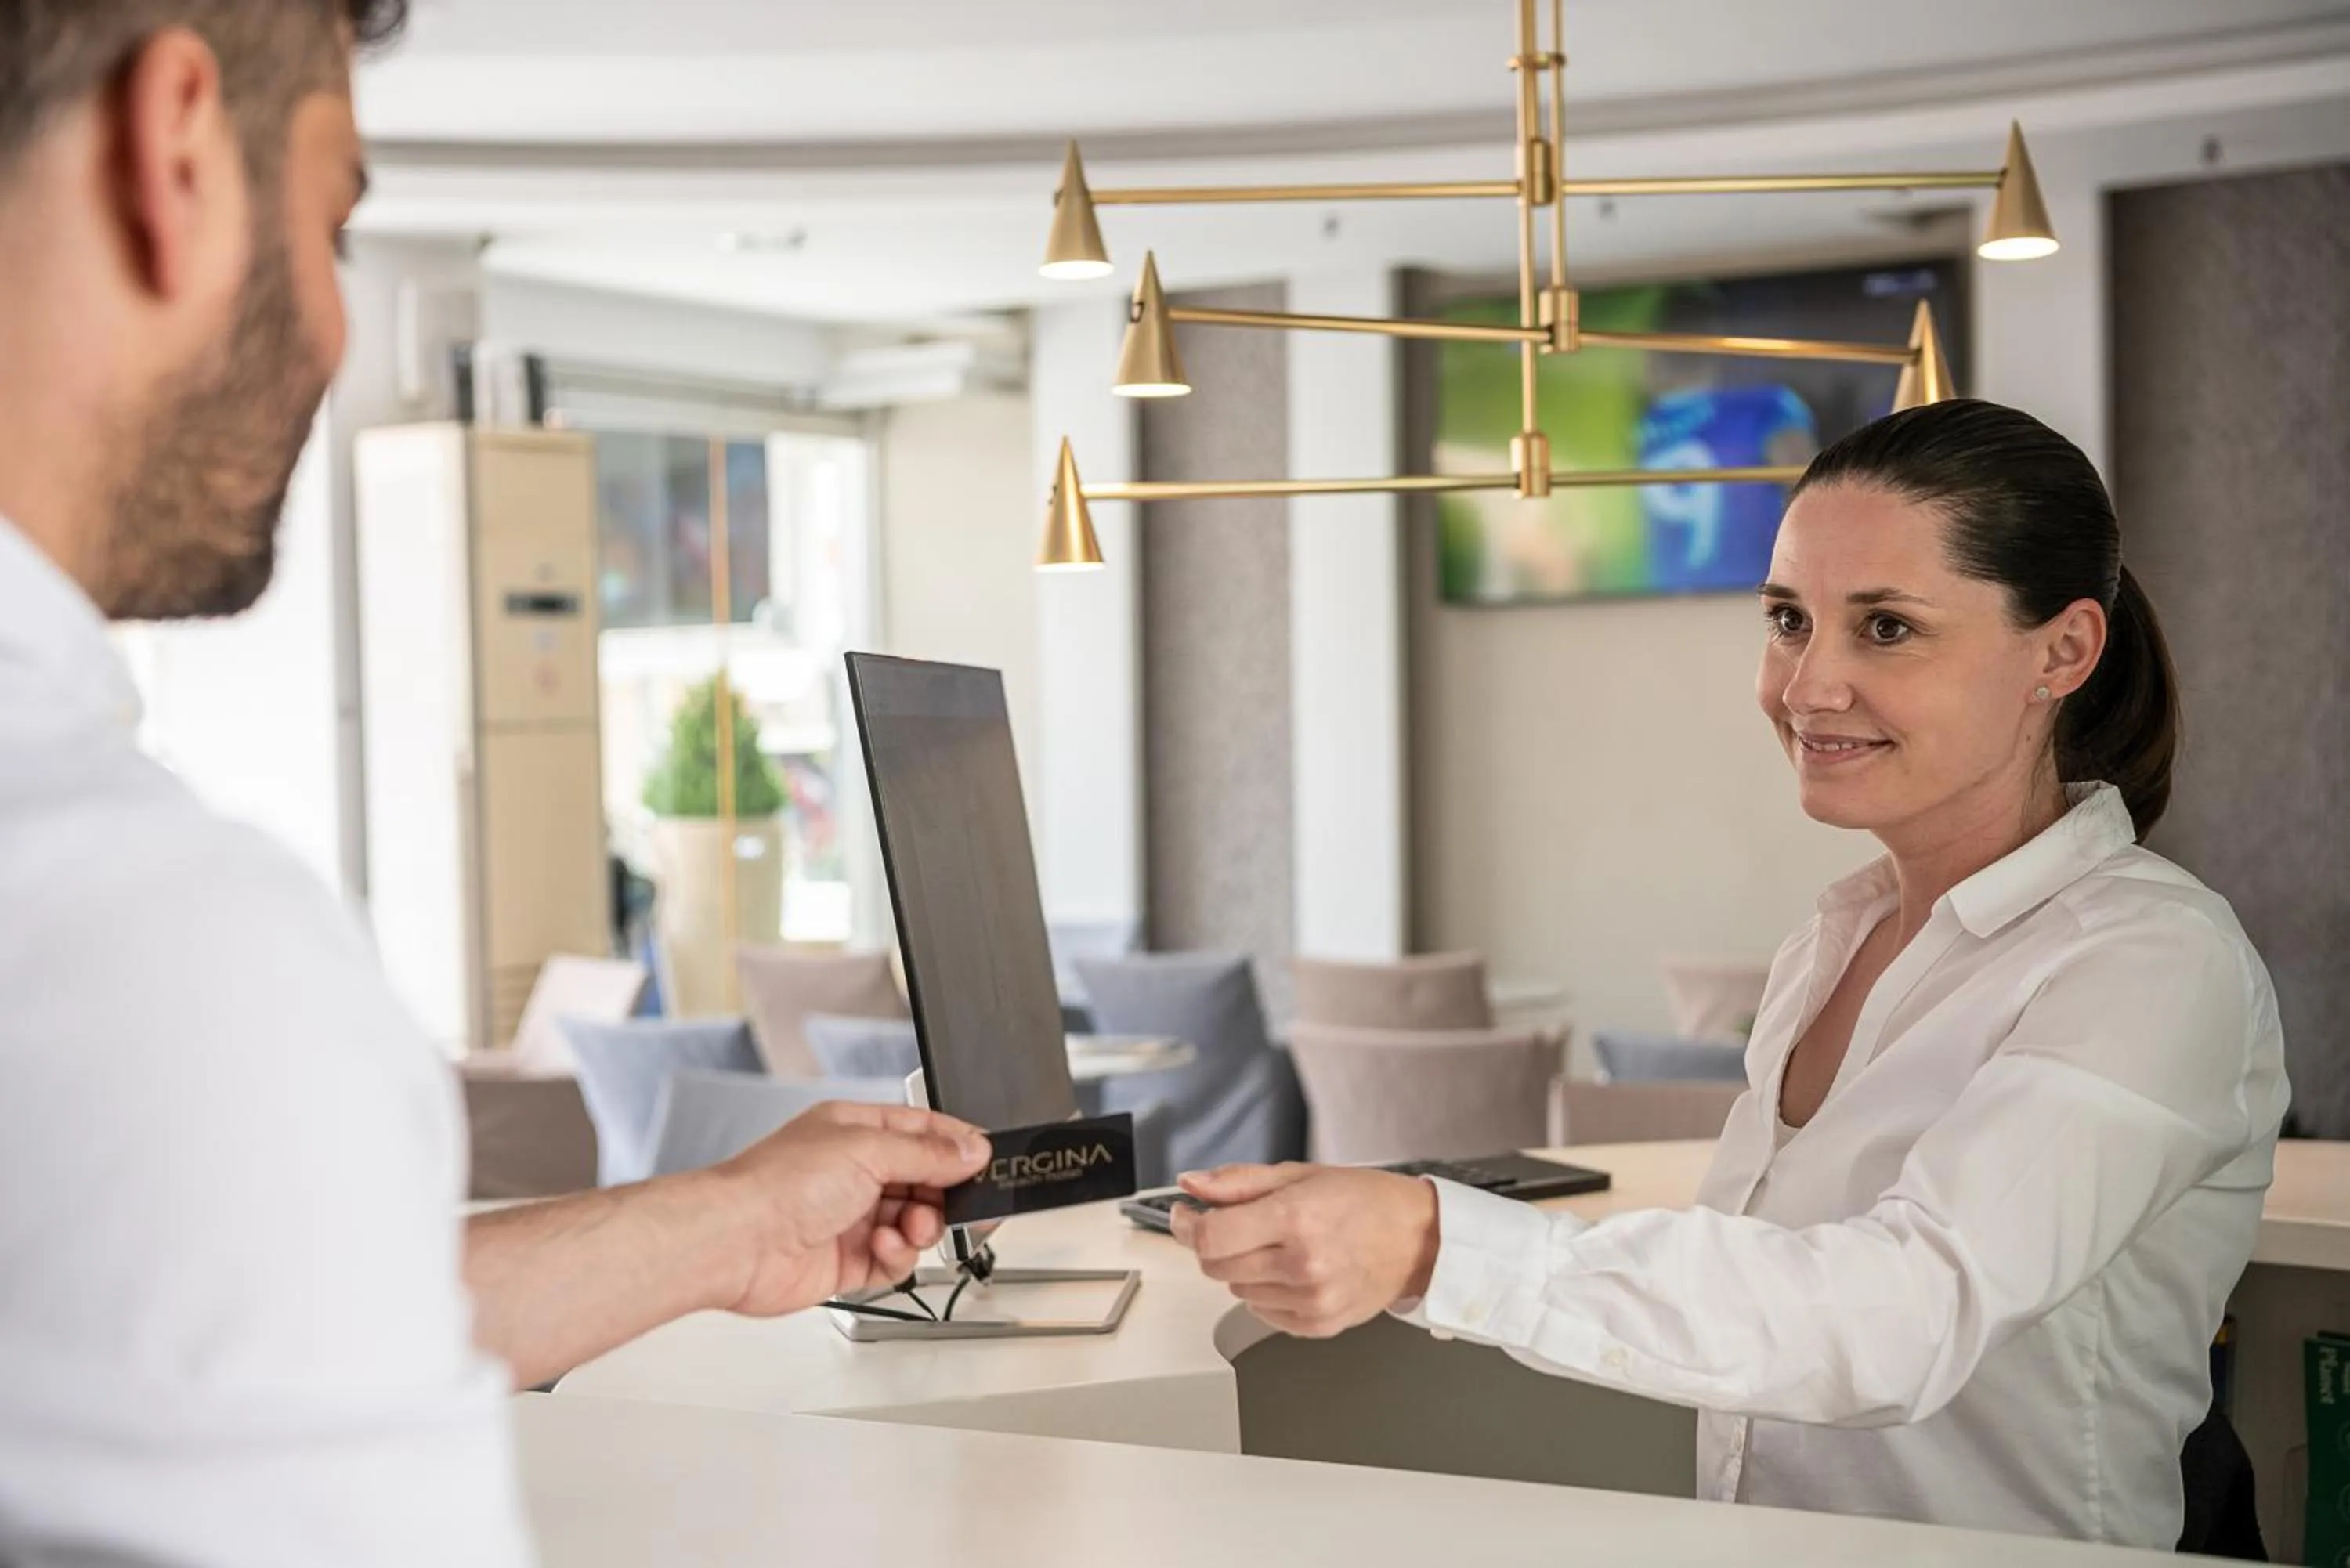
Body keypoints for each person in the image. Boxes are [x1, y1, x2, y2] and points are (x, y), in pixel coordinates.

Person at [0, 4, 989, 1563]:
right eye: (331, 222)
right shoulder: (155, 951)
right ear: (171, 146)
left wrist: (730, 1221)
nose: (332, 325)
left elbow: (263, 1318)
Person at [1173, 399, 2290, 1551]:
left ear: (2062, 650)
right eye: (1788, 619)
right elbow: (1778, 1281)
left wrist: (1431, 1240)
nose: (1809, 685)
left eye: (1888, 628)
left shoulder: (2151, 960)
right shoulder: (1835, 937)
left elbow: (1903, 1311)